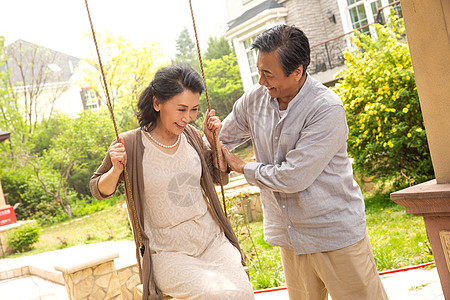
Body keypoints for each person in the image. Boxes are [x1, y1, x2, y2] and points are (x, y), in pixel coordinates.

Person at [218, 25, 388, 300]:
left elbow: (293, 177)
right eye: (259, 71)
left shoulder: (325, 108)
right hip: (291, 236)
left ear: (297, 71)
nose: (261, 81)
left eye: (268, 74)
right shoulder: (255, 99)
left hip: (333, 233)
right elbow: (221, 140)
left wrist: (241, 166)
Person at [90, 65, 254, 300]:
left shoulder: (192, 136)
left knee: (242, 293)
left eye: (194, 109)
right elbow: (99, 189)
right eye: (181, 109)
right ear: (157, 103)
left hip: (212, 242)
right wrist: (116, 171)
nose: (187, 117)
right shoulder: (131, 144)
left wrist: (213, 141)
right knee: (214, 295)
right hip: (168, 253)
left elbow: (218, 177)